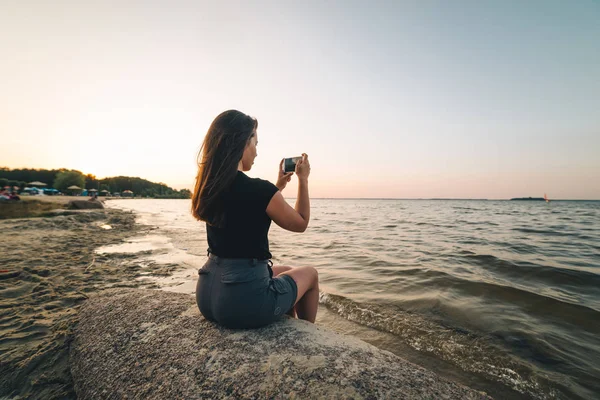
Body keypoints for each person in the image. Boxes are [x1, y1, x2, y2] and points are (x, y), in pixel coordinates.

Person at [191, 110, 318, 329]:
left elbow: (246, 207)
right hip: (242, 305)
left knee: (286, 269)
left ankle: (286, 325)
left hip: (207, 295)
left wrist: (277, 187)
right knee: (311, 275)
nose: (256, 152)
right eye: (255, 144)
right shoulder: (259, 190)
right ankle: (308, 336)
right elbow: (301, 222)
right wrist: (303, 180)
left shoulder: (210, 187)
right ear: (242, 143)